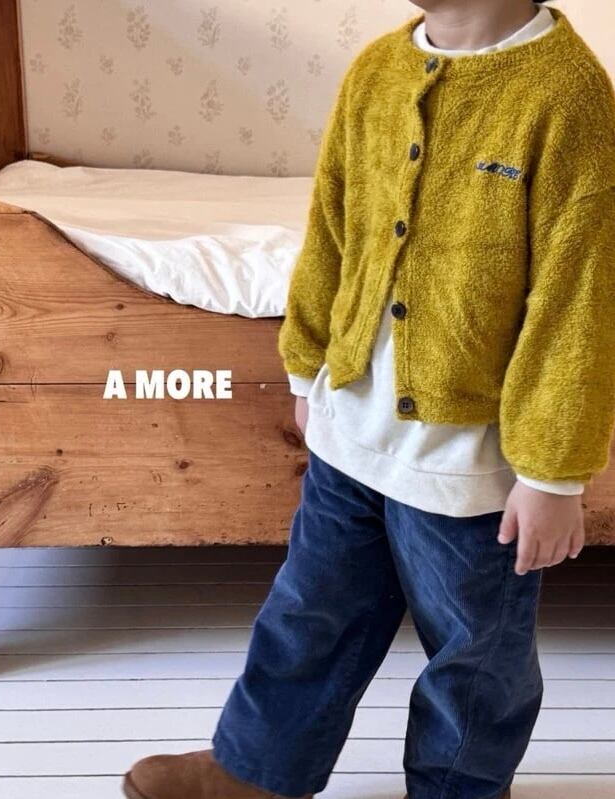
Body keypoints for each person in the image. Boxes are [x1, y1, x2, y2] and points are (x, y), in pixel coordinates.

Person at [122, 2, 615, 797]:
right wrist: (307, 368)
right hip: (348, 432)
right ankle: (256, 770)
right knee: (307, 615)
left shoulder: (568, 96)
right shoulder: (379, 70)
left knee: (474, 663)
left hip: (469, 470)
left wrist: (552, 474)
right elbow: (332, 226)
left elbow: (578, 300)